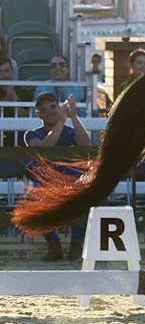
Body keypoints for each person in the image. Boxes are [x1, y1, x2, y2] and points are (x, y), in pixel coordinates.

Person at [25, 91, 91, 260]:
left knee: (84, 196)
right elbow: (45, 149)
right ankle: (54, 245)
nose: (50, 111)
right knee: (34, 197)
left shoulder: (71, 130)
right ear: (38, 114)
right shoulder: (31, 134)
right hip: (47, 184)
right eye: (44, 109)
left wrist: (74, 117)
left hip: (73, 182)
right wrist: (60, 123)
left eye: (53, 106)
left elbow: (86, 144)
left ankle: (77, 244)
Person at [0, 55, 31, 146]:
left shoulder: (24, 93)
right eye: (0, 71)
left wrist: (14, 104)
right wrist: (7, 100)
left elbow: (27, 115)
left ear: (12, 72)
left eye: (6, 71)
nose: (4, 75)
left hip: (19, 135)